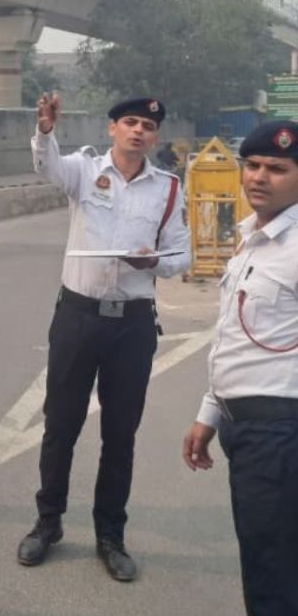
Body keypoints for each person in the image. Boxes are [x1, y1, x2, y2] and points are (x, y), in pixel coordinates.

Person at [16, 94, 191, 581]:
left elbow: (182, 255)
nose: (139, 132)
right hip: (78, 317)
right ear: (112, 128)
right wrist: (45, 130)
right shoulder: (82, 171)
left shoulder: (169, 189)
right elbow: (46, 166)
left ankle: (110, 535)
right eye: (130, 123)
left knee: (120, 434)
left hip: (133, 324)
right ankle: (47, 523)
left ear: (155, 136)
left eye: (148, 126)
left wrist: (152, 261)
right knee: (61, 427)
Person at [182, 120, 298, 615]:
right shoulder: (253, 239)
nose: (259, 177)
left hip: (281, 431)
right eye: (252, 165)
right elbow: (236, 337)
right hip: (244, 426)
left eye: (277, 168)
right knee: (265, 557)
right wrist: (209, 413)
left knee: (272, 571)